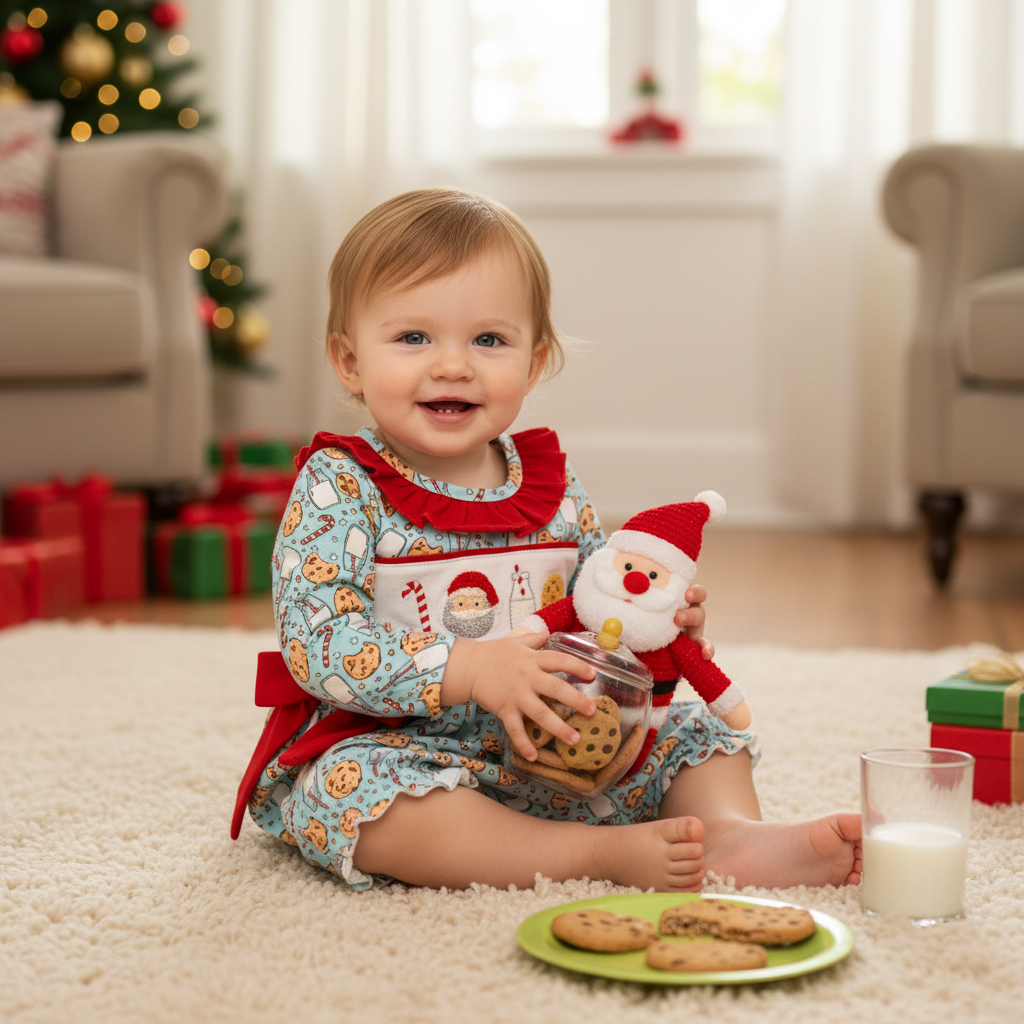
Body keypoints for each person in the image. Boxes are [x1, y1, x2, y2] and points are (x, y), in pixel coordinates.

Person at [232, 186, 862, 894]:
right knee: (354, 797)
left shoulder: (550, 485)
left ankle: (730, 839)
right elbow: (318, 644)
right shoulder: (341, 485)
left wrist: (652, 623)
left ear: (534, 363)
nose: (453, 365)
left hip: (563, 742)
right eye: (414, 337)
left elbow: (599, 613)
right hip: (406, 744)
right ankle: (583, 857)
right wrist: (471, 671)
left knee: (697, 737)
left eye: (489, 340)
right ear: (348, 361)